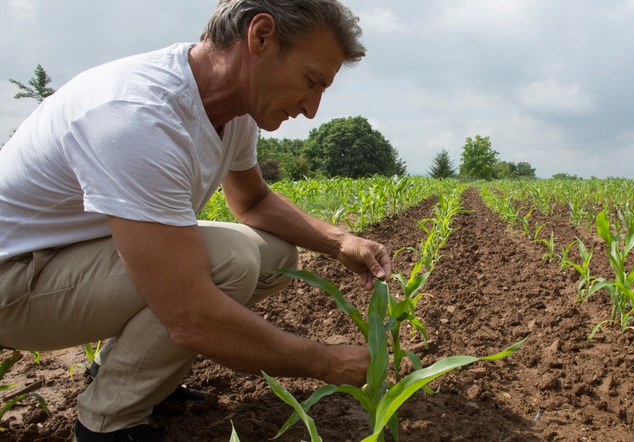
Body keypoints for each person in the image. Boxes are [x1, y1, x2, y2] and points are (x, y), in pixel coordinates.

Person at [0, 1, 390, 441]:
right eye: (311, 80)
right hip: (15, 280)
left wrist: (339, 241)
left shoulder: (235, 110)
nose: (311, 108)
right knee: (231, 262)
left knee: (275, 254)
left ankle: (134, 372)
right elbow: (190, 316)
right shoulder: (138, 115)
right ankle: (108, 424)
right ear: (260, 36)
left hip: (66, 260)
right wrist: (326, 362)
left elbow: (254, 200)